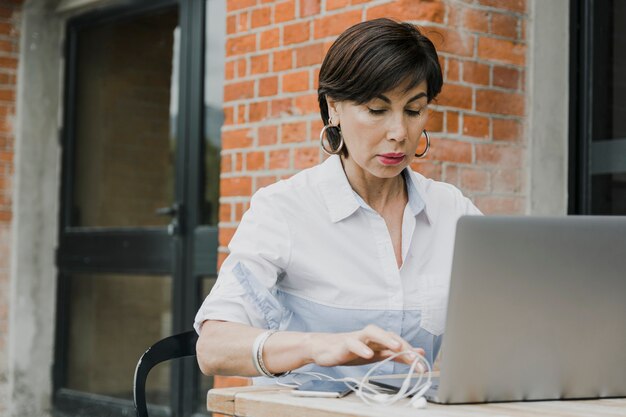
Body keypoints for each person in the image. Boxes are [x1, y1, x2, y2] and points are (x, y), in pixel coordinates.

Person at [195, 18, 481, 382]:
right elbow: (212, 348)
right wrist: (316, 346)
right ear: (334, 108)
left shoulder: (452, 211)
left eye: (413, 110)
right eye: (377, 110)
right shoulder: (284, 209)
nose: (399, 133)